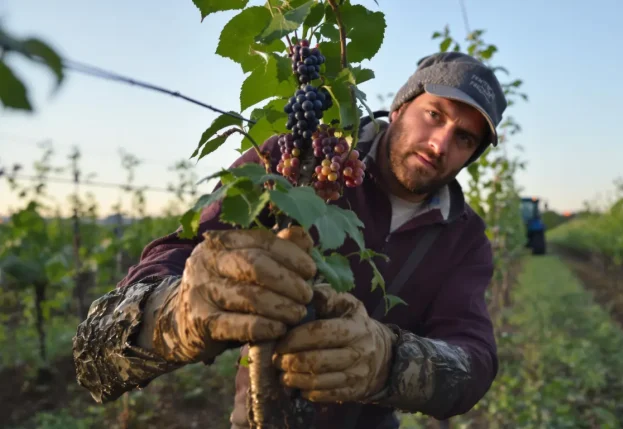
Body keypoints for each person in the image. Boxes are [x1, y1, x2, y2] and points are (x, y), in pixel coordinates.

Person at [72, 51, 508, 429]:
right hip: (261, 415)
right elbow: (168, 265)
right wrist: (178, 310)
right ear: (399, 109)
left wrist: (387, 362)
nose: (439, 143)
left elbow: (474, 360)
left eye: (464, 137)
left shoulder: (464, 239)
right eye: (435, 115)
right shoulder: (296, 160)